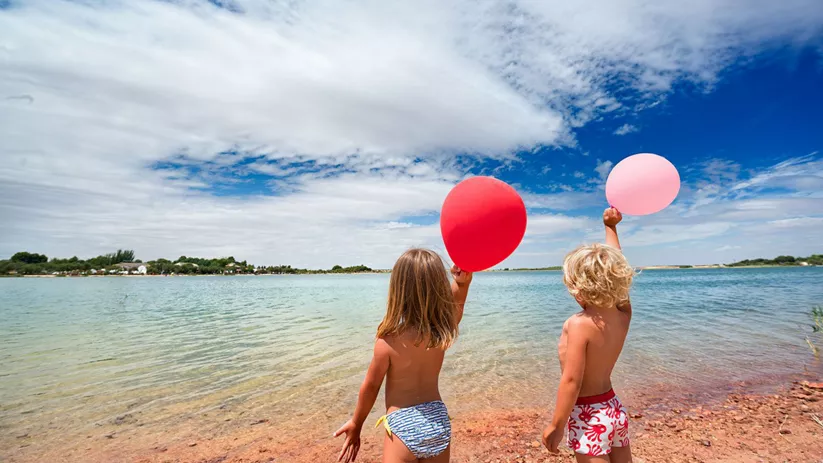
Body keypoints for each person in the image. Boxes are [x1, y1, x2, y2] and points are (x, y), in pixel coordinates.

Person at [335, 248, 473, 463]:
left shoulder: (388, 342)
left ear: (398, 290)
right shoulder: (441, 332)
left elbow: (371, 387)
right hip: (437, 420)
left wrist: (356, 423)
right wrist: (463, 284)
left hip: (402, 423)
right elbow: (458, 305)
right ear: (439, 286)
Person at [542, 207, 635, 462]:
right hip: (614, 408)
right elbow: (618, 267)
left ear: (577, 287)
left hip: (588, 413)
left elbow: (572, 381)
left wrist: (557, 425)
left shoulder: (578, 324)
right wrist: (611, 228)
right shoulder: (623, 315)